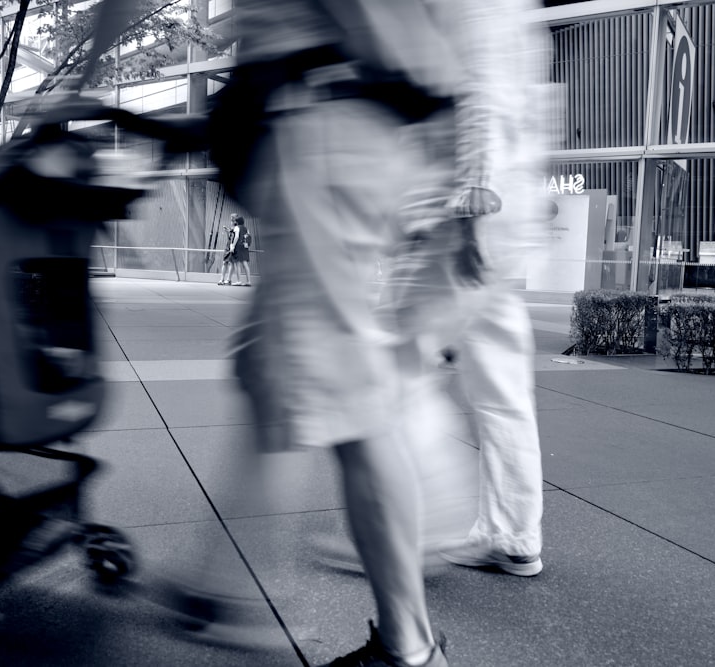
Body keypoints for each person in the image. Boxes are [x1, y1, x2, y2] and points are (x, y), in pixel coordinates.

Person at [203, 1, 462, 665]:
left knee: (356, 410)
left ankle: (408, 646)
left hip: (324, 118)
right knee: (269, 367)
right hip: (336, 121)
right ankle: (232, 590)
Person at [383, 0, 552, 577]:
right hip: (506, 208)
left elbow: (476, 90)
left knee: (395, 367)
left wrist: (472, 198)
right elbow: (519, 101)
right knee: (503, 388)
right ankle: (512, 534)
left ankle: (415, 528)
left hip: (469, 211)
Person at [226, 215, 252, 286]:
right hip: (244, 246)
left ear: (237, 222)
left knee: (237, 264)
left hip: (238, 247)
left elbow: (236, 236)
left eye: (235, 221)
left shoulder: (237, 227)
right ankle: (248, 281)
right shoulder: (246, 228)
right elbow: (248, 236)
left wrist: (233, 245)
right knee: (245, 264)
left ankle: (239, 281)